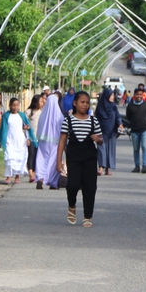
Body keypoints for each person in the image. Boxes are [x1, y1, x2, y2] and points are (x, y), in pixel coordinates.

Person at [56, 91, 103, 227]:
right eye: (82, 102)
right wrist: (58, 161)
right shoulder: (68, 120)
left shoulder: (93, 121)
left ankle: (87, 216)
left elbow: (101, 140)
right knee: (73, 184)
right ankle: (72, 205)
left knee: (90, 186)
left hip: (90, 158)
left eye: (87, 102)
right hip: (74, 157)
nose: (85, 105)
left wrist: (98, 139)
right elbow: (62, 141)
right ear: (75, 103)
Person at [0, 97, 37, 184]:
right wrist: (5, 140)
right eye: (13, 105)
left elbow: (27, 127)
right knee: (10, 158)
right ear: (9, 106)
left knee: (19, 158)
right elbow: (4, 129)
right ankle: (8, 177)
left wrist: (28, 138)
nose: (15, 107)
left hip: (20, 140)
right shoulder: (6, 116)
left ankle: (17, 177)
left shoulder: (22, 115)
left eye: (17, 105)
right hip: (10, 139)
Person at [36, 93, 64, 190]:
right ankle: (52, 182)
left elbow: (39, 127)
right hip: (55, 142)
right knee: (53, 161)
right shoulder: (60, 116)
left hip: (43, 140)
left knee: (41, 159)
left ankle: (40, 177)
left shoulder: (43, 114)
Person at [126, 86, 146, 173]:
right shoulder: (130, 105)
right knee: (136, 149)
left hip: (145, 129)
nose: (139, 96)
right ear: (134, 95)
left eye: (140, 94)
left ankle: (145, 166)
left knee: (145, 147)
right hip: (134, 130)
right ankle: (137, 166)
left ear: (143, 95)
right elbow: (128, 117)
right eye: (137, 94)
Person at [95, 87, 122, 175]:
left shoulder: (114, 106)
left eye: (113, 95)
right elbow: (96, 118)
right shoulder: (100, 107)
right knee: (101, 149)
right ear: (106, 96)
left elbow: (118, 116)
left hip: (111, 132)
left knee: (110, 150)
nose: (113, 97)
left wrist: (120, 124)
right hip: (101, 131)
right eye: (111, 95)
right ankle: (101, 168)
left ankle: (107, 169)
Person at [26, 94, 43, 183]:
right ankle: (30, 173)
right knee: (31, 154)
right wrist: (26, 137)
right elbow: (24, 125)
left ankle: (35, 173)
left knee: (37, 155)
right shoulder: (28, 112)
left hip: (39, 138)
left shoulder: (42, 112)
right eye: (40, 101)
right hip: (31, 137)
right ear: (36, 102)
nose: (42, 103)